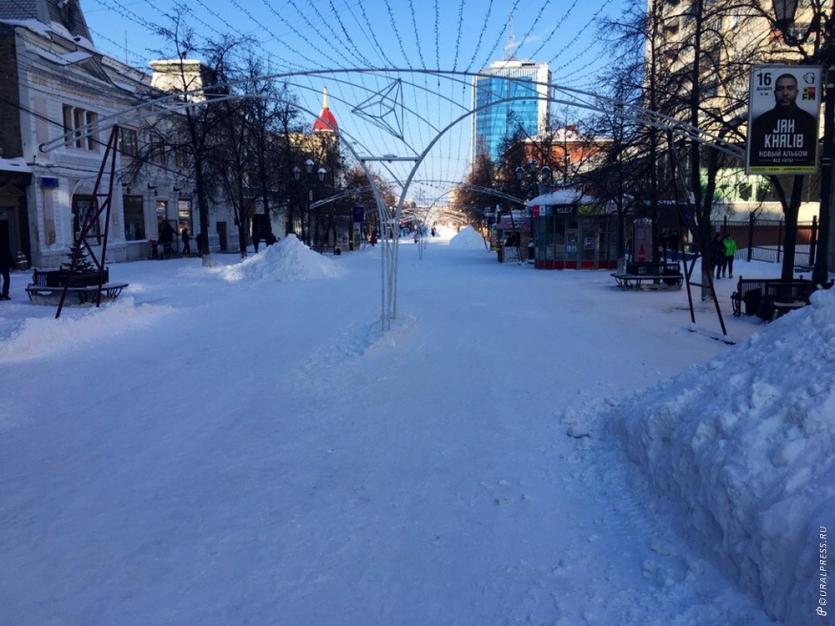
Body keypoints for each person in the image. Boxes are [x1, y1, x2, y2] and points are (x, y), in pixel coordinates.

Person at [749, 73, 818, 169]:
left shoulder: (809, 121)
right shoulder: (760, 122)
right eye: (780, 89)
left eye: (790, 88)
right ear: (775, 93)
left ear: (797, 92)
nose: (785, 93)